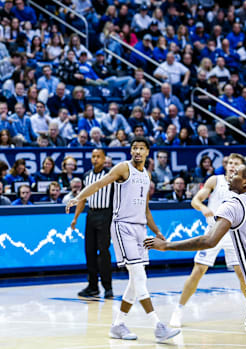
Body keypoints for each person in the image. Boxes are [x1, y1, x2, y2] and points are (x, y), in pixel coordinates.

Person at [145, 161, 246, 349]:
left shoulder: (234, 204)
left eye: (236, 174)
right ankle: (179, 310)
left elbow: (209, 240)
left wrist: (167, 246)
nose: (231, 175)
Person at [66, 137, 180, 342]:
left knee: (137, 280)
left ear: (147, 152)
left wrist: (157, 231)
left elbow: (145, 209)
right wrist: (79, 198)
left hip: (141, 229)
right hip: (122, 227)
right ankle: (158, 326)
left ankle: (118, 325)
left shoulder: (147, 174)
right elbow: (99, 183)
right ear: (131, 151)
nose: (137, 151)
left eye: (141, 148)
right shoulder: (122, 168)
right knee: (138, 276)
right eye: (134, 148)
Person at [167, 153, 246, 328]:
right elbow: (195, 201)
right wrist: (204, 208)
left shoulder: (244, 185)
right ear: (226, 165)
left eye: (236, 163)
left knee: (242, 275)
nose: (233, 165)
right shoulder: (215, 181)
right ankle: (178, 310)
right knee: (198, 271)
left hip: (234, 234)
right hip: (213, 232)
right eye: (231, 162)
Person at [69, 148, 114, 298]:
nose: (95, 159)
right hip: (91, 214)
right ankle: (93, 286)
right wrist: (75, 218)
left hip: (106, 214)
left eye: (98, 157)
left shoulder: (110, 176)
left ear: (104, 158)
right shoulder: (86, 176)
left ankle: (108, 287)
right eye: (93, 156)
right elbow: (82, 198)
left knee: (104, 252)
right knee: (90, 251)